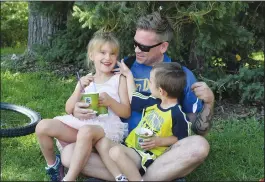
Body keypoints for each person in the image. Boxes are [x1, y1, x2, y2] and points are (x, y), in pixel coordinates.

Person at [61, 11, 215, 181]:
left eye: (144, 47)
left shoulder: (179, 76)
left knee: (200, 146)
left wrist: (209, 104)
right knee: (68, 154)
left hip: (159, 151)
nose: (136, 50)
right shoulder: (124, 65)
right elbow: (96, 89)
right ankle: (150, 177)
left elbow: (198, 130)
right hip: (121, 146)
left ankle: (133, 177)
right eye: (135, 43)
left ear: (163, 46)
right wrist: (77, 109)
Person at [35, 32, 131, 181]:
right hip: (83, 124)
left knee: (86, 131)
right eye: (103, 52)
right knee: (42, 126)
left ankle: (70, 178)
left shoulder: (119, 79)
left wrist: (110, 102)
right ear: (92, 55)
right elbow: (69, 108)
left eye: (112, 54)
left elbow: (126, 112)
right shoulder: (87, 80)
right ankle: (54, 166)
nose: (108, 58)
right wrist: (78, 89)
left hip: (105, 129)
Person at [95, 62, 191, 181]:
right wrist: (128, 75)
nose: (149, 84)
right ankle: (120, 178)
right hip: (131, 146)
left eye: (150, 81)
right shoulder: (153, 101)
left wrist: (159, 141)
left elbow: (183, 139)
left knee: (115, 152)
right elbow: (133, 97)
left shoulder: (177, 114)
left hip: (146, 155)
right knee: (101, 143)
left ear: (161, 91)